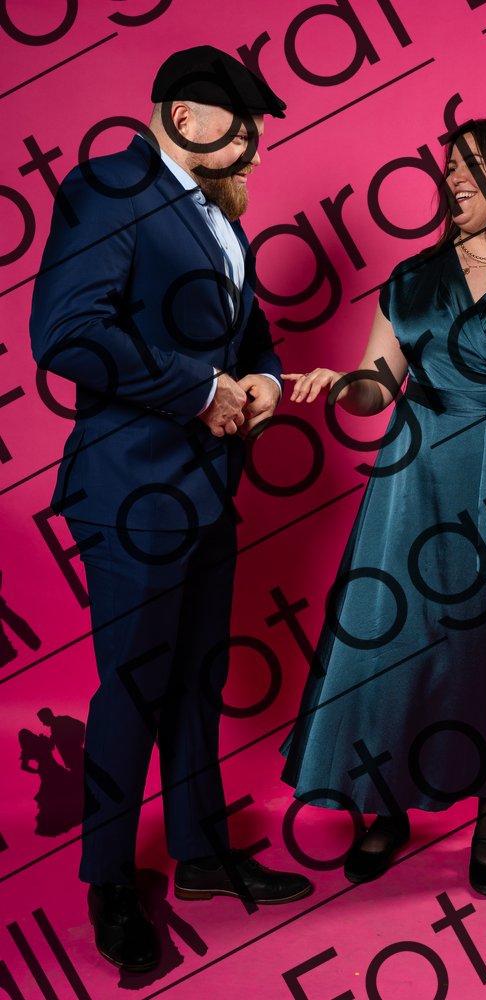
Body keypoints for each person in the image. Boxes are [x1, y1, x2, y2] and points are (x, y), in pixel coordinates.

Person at [280, 118, 486, 896]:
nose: (452, 178)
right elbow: (375, 386)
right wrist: (340, 385)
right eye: (448, 166)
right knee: (394, 642)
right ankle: (386, 808)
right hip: (417, 475)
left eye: (469, 165)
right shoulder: (413, 278)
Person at [30, 45, 312, 973]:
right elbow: (65, 333)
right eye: (244, 127)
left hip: (207, 486)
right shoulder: (107, 190)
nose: (257, 146)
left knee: (195, 680)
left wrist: (263, 380)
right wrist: (198, 391)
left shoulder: (215, 213)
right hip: (131, 489)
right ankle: (109, 880)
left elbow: (248, 334)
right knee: (132, 686)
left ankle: (199, 852)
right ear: (184, 117)